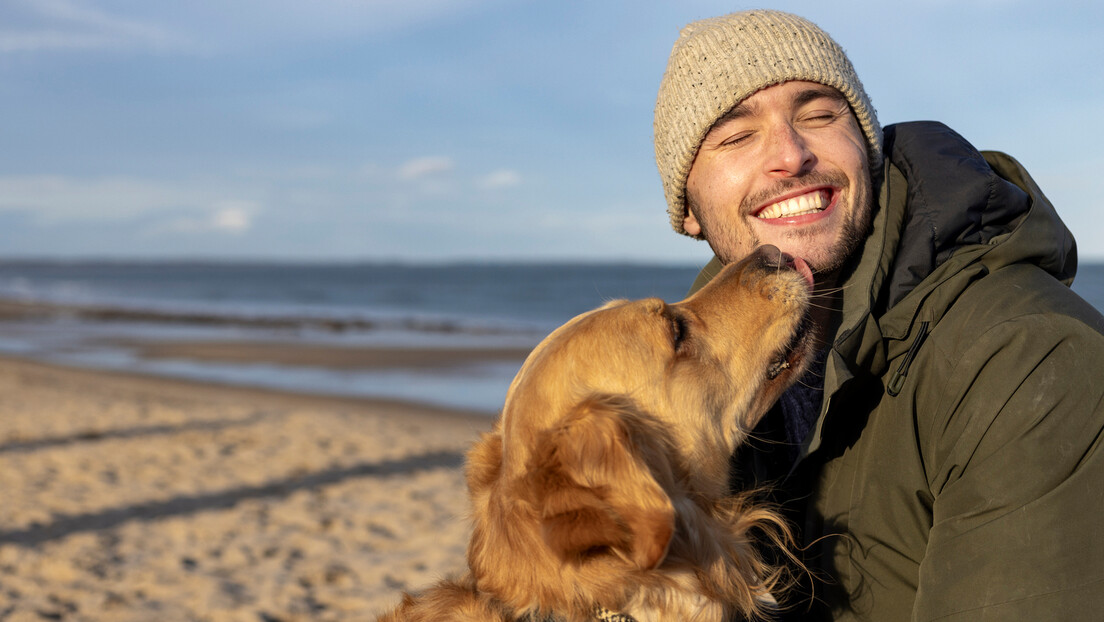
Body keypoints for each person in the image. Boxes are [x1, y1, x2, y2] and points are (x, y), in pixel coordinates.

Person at [653, 9, 1104, 621]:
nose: (790, 155)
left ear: (865, 147)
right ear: (688, 211)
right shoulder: (691, 385)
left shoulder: (1025, 359)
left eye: (819, 115)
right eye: (736, 136)